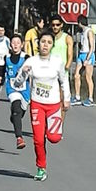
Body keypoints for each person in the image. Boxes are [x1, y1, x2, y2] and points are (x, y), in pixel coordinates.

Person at [17, 29, 70, 181]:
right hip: (37, 104)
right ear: (38, 44)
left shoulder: (57, 61)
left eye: (49, 42)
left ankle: (50, 127)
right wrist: (23, 74)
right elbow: (18, 82)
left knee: (53, 138)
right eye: (43, 42)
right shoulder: (31, 62)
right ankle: (41, 168)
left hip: (53, 105)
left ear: (52, 45)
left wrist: (66, 98)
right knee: (39, 140)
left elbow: (64, 81)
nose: (45, 45)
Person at [4, 33, 31, 150]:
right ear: (10, 45)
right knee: (16, 107)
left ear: (22, 45)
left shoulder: (26, 58)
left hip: (25, 90)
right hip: (12, 88)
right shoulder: (6, 58)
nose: (15, 45)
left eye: (18, 43)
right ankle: (19, 138)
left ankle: (15, 117)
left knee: (20, 112)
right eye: (13, 43)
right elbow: (0, 70)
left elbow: (33, 73)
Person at [49, 13, 73, 122]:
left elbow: (70, 54)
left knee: (63, 101)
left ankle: (59, 126)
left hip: (63, 73)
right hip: (50, 73)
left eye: (57, 25)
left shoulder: (67, 38)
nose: (55, 27)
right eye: (53, 25)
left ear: (61, 25)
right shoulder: (48, 38)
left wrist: (67, 67)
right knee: (51, 100)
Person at [70, 14, 95, 107]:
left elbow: (92, 47)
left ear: (80, 23)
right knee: (76, 75)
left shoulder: (89, 31)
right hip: (81, 54)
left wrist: (87, 59)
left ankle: (90, 98)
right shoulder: (82, 32)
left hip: (88, 55)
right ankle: (77, 96)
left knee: (88, 77)